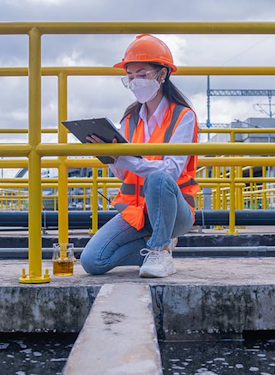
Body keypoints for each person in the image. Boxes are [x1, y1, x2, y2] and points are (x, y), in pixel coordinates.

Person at [80, 34, 199, 278]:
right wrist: (111, 158)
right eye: (130, 76)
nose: (135, 82)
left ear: (162, 74)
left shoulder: (183, 116)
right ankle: (156, 245)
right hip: (137, 211)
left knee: (158, 177)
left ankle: (161, 248)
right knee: (92, 261)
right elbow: (124, 173)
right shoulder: (129, 119)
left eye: (142, 74)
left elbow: (171, 172)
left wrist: (126, 158)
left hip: (175, 212)